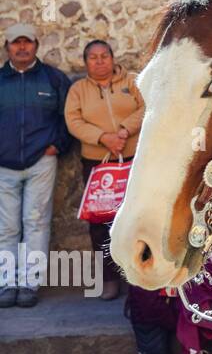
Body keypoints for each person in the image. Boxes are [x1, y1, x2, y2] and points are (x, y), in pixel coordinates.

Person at [64, 39, 145, 301]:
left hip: (133, 159)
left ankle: (139, 276)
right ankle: (110, 279)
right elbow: (73, 120)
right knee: (100, 221)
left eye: (104, 56)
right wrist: (103, 137)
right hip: (98, 165)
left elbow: (147, 107)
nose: (99, 62)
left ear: (113, 58)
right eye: (93, 57)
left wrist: (124, 131)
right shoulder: (78, 90)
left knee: (137, 218)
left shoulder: (132, 82)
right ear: (85, 62)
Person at [0, 22, 72, 309]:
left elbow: (68, 116)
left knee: (36, 224)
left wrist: (58, 146)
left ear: (36, 46)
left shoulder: (53, 79)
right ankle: (6, 283)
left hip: (41, 161)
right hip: (3, 166)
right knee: (5, 228)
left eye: (27, 42)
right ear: (7, 47)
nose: (21, 47)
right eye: (15, 43)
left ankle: (29, 283)